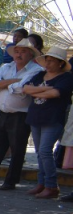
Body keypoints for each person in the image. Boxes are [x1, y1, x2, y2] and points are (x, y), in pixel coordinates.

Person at [0, 39, 43, 190]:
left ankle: (11, 181)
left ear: (30, 54)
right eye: (17, 51)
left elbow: (21, 88)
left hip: (20, 114)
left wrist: (5, 84)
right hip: (2, 112)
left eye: (23, 51)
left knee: (17, 148)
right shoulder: (7, 67)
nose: (19, 54)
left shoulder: (36, 70)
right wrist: (12, 82)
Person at [21, 47, 73, 199]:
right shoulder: (40, 75)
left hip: (53, 118)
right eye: (47, 60)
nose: (48, 64)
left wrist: (36, 90)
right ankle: (42, 182)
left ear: (60, 63)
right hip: (36, 116)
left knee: (45, 150)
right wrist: (43, 90)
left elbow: (56, 93)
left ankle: (51, 185)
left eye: (52, 61)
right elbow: (26, 88)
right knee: (39, 152)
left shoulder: (66, 78)